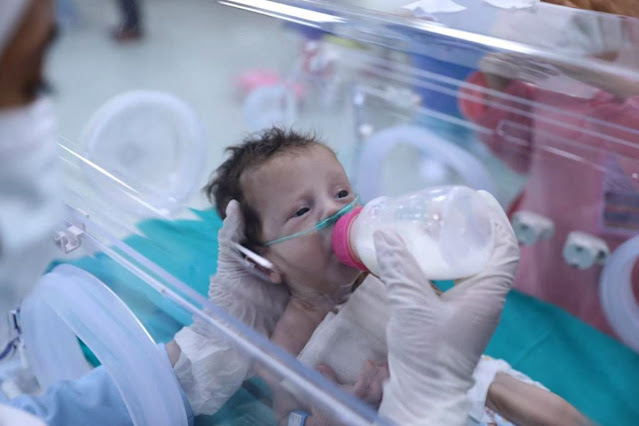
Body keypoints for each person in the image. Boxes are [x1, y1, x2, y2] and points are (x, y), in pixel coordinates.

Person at [169, 128, 588, 425]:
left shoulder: (384, 268)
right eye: (301, 210)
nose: (333, 212)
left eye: (341, 193)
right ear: (264, 259)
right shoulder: (286, 340)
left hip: (470, 380)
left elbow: (448, 320)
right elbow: (287, 415)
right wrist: (331, 414)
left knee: (559, 415)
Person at [458, 2, 639, 337]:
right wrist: (500, 83)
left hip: (618, 294)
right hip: (539, 261)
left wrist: (614, 86)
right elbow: (521, 156)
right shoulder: (569, 25)